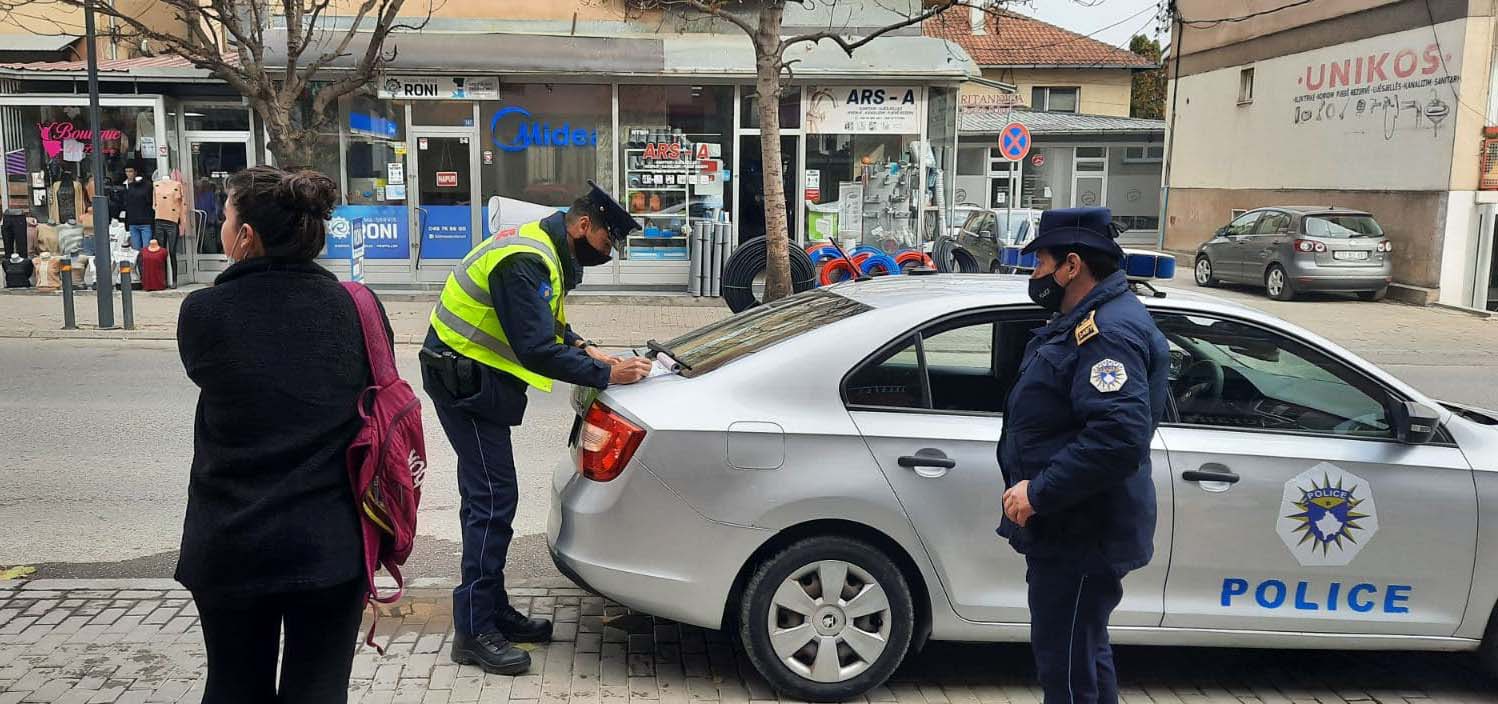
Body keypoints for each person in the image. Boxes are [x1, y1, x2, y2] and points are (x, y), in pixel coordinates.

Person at [422, 181, 652, 675]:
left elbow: (545, 323)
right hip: (464, 385)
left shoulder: (543, 249)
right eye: (607, 243)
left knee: (489, 498)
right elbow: (534, 349)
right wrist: (607, 372)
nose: (606, 254)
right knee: (491, 502)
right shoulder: (525, 259)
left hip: (475, 381)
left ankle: (492, 608)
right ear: (583, 225)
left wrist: (586, 347)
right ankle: (474, 629)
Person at [176, 166, 387, 704]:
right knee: (318, 690)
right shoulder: (359, 309)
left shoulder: (203, 313)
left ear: (245, 236)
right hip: (329, 542)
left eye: (225, 217)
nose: (220, 228)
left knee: (233, 684)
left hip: (232, 541)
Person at [996, 207, 1169, 704]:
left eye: (1039, 263)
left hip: (1080, 532)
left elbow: (1117, 436)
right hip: (1072, 528)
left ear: (1071, 266)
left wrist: (1040, 493)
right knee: (1084, 656)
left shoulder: (1107, 332)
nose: (1034, 276)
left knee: (1067, 672)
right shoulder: (1083, 321)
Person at [122, 165, 155, 251]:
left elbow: (151, 202)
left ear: (136, 172)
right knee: (137, 251)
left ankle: (144, 264)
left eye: (131, 171)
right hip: (134, 222)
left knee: (145, 250)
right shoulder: (128, 188)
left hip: (144, 222)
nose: (128, 174)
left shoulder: (147, 186)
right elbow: (127, 205)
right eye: (127, 171)